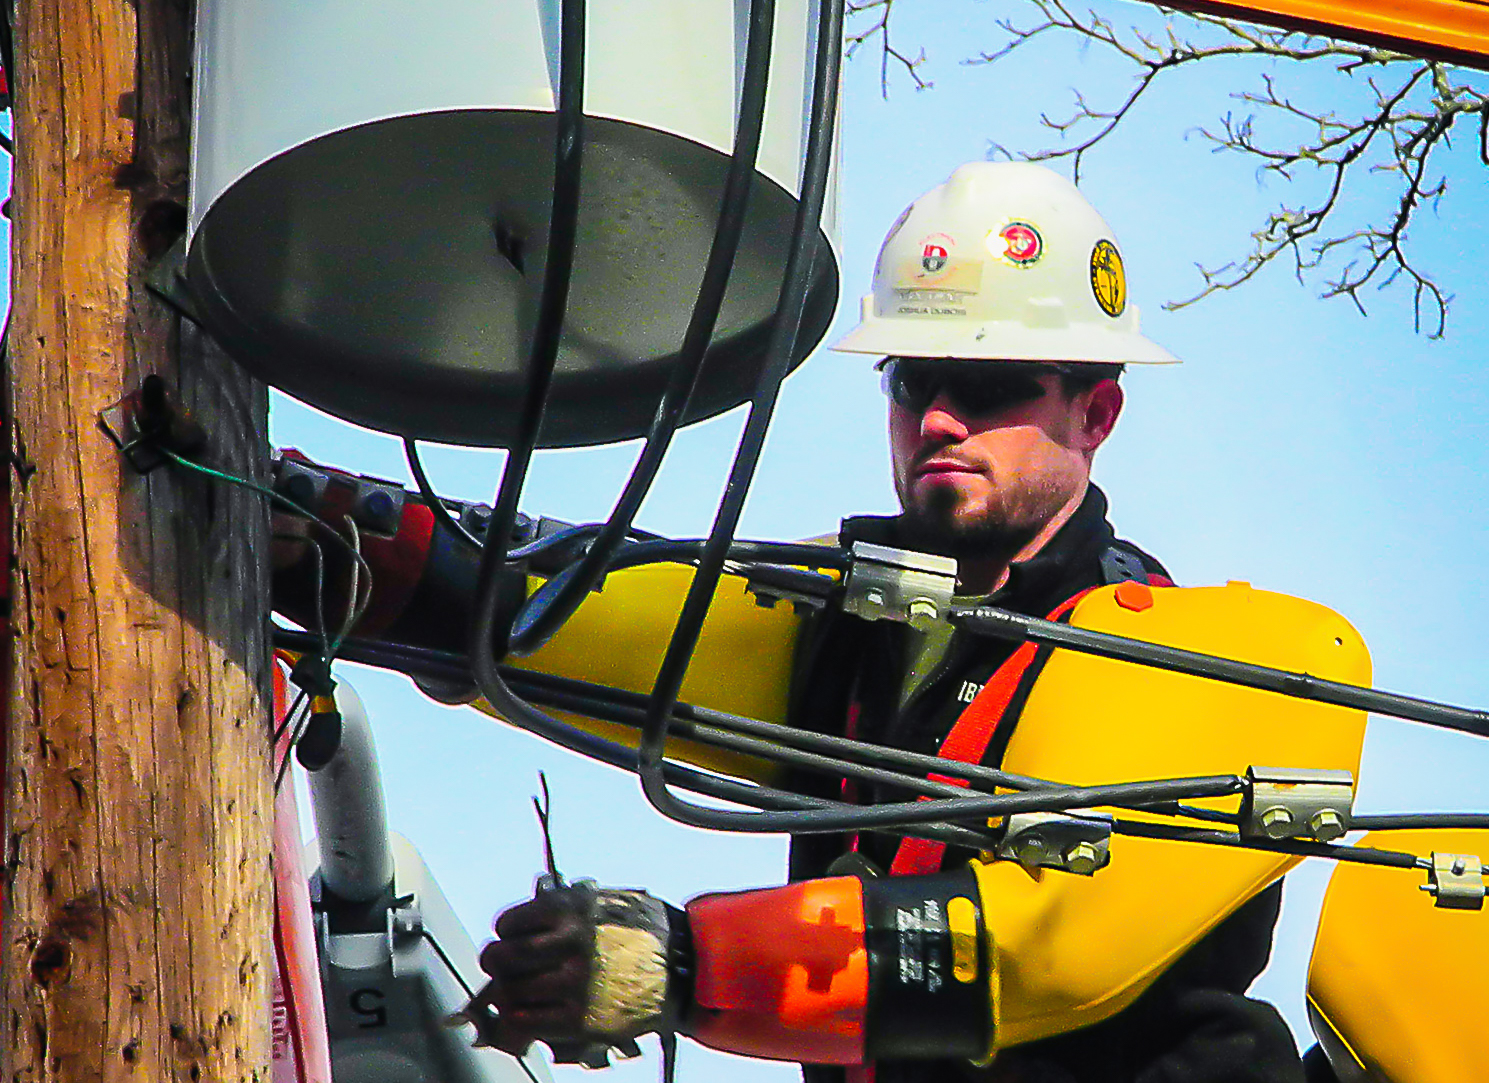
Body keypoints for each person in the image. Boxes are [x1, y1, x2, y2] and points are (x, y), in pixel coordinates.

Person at [470, 161, 1310, 1083]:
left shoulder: (1175, 658)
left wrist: (679, 961)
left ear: (1095, 413)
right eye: (913, 380)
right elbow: (554, 614)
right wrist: (372, 557)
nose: (941, 419)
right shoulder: (839, 612)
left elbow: (1040, 942)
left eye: (988, 384)